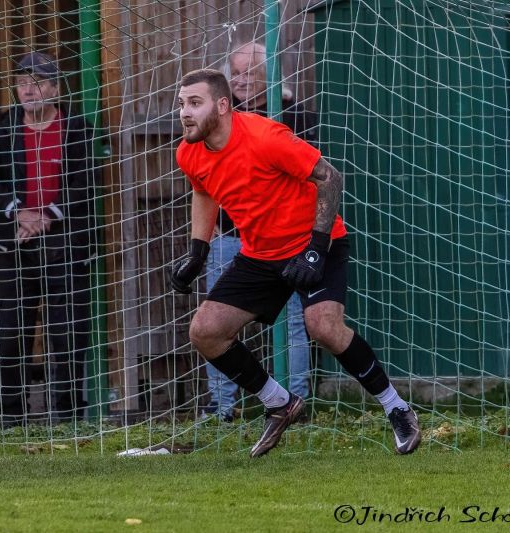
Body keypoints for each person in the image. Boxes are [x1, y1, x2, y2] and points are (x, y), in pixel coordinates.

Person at [172, 69, 421, 457]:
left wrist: (315, 249)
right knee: (205, 331)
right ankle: (280, 403)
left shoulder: (265, 137)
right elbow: (204, 192)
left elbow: (330, 178)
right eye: (182, 104)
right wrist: (197, 252)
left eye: (195, 102)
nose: (185, 113)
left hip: (315, 242)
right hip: (259, 254)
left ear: (222, 106)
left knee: (323, 326)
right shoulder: (189, 151)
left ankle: (397, 408)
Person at [201, 42, 317, 422]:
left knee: (296, 322)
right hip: (230, 238)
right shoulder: (215, 123)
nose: (244, 79)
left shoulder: (296, 118)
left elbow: (312, 178)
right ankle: (222, 408)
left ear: (272, 75)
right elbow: (203, 183)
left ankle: (295, 403)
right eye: (236, 72)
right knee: (213, 324)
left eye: (252, 71)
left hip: (287, 240)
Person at [0, 51, 97, 424]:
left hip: (64, 243)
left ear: (54, 87)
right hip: (14, 243)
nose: (28, 91)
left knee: (67, 333)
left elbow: (85, 183)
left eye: (37, 83)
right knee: (12, 331)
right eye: (21, 84)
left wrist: (47, 215)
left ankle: (67, 414)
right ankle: (12, 416)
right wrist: (19, 212)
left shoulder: (77, 128)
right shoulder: (1, 128)